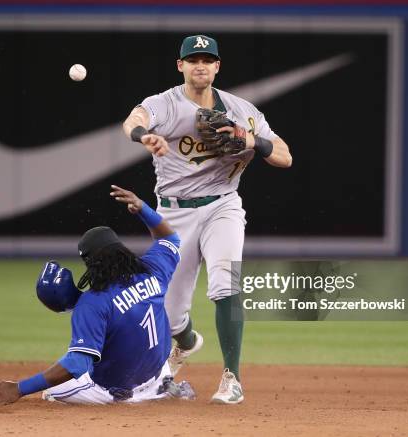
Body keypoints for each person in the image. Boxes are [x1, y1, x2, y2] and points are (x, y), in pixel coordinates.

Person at [122, 34, 292, 404]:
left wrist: (253, 142)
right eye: (193, 59)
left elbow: (284, 155)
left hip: (222, 206)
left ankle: (232, 378)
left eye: (207, 59)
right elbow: (133, 120)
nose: (200, 64)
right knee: (169, 312)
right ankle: (184, 342)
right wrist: (143, 136)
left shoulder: (240, 109)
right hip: (173, 212)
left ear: (217, 66)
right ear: (180, 65)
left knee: (225, 284)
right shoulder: (164, 104)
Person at [0, 185, 193, 410]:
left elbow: (76, 364)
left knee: (51, 393)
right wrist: (142, 208)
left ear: (92, 264)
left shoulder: (93, 302)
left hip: (118, 393)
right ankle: (164, 387)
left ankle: (142, 396)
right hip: (158, 372)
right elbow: (170, 238)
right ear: (120, 249)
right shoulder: (153, 269)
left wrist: (19, 388)